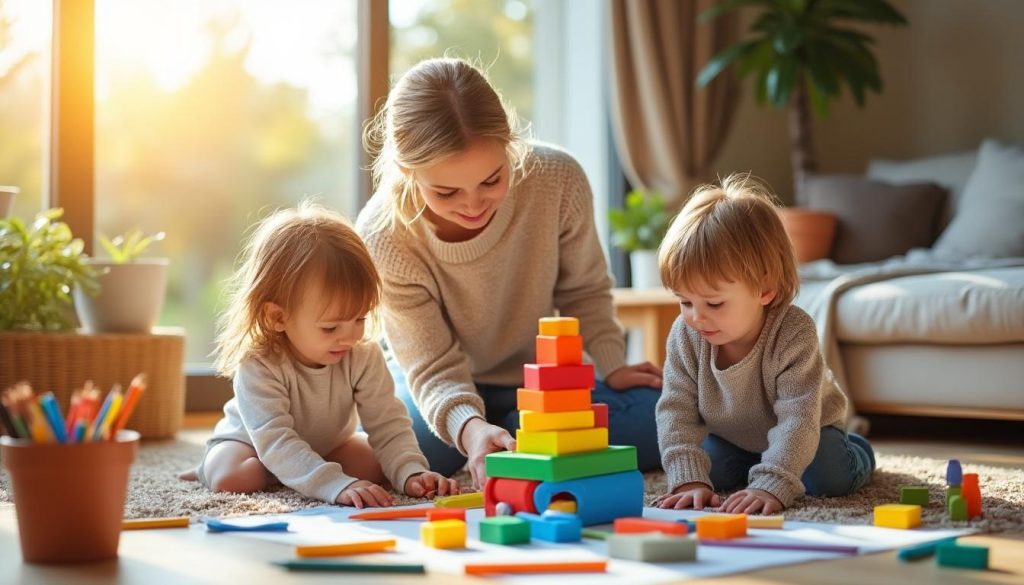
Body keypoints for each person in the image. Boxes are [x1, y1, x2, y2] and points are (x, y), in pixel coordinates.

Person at [356, 57, 663, 488]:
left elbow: (585, 291)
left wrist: (612, 364)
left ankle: (517, 428)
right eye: (446, 192)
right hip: (440, 385)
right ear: (408, 172)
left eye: (491, 179)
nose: (474, 204)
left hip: (542, 380)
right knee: (408, 457)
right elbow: (431, 366)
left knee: (663, 423)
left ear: (509, 145)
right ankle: (502, 432)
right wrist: (471, 427)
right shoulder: (382, 234)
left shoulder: (558, 179)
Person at [181, 202, 458, 508]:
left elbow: (388, 423)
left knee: (375, 464)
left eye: (360, 319)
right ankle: (218, 468)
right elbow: (274, 440)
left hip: (330, 447)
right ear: (277, 317)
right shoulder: (259, 363)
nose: (351, 335)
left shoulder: (361, 353)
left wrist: (411, 472)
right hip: (254, 446)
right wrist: (333, 484)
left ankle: (300, 471)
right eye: (330, 327)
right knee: (232, 477)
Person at [654, 174, 875, 514]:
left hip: (807, 428)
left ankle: (857, 450)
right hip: (734, 438)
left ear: (765, 290)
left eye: (713, 304)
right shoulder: (686, 335)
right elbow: (676, 411)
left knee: (827, 480)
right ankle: (758, 464)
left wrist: (773, 483)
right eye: (685, 302)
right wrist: (689, 479)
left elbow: (797, 418)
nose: (696, 317)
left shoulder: (793, 331)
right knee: (707, 470)